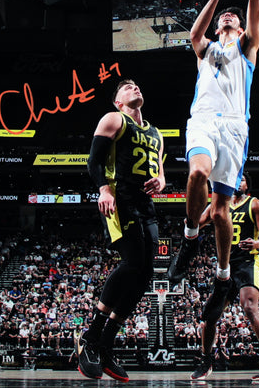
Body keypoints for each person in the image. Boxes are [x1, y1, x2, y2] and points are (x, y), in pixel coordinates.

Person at [167, 0, 259, 325]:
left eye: (232, 15)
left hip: (235, 129)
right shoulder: (206, 49)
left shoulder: (248, 46)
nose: (229, 16)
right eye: (224, 16)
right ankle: (189, 238)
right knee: (197, 172)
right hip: (203, 119)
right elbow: (194, 33)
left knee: (219, 212)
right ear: (219, 25)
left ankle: (222, 274)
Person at [78, 79, 165, 380]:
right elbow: (94, 161)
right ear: (118, 101)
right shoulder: (114, 119)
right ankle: (91, 337)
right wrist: (104, 190)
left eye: (137, 86)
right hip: (120, 198)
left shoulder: (156, 133)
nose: (135, 88)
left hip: (145, 204)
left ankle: (105, 344)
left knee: (146, 273)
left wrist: (161, 182)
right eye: (127, 88)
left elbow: (161, 173)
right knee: (132, 263)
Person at [191, 173, 259, 381]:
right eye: (236, 178)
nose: (238, 181)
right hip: (225, 266)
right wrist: (193, 210)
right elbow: (198, 222)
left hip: (247, 262)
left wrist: (256, 243)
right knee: (210, 317)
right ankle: (206, 361)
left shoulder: (255, 204)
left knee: (249, 307)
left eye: (242, 179)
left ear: (247, 185)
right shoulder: (218, 203)